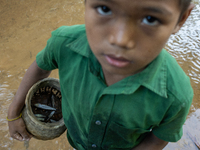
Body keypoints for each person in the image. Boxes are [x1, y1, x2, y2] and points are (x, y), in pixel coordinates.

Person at [7, 0, 195, 149]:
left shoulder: (176, 96)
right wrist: (13, 113)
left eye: (150, 19)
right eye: (105, 8)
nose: (120, 40)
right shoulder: (63, 43)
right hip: (77, 141)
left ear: (181, 19)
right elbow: (39, 68)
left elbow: (156, 141)